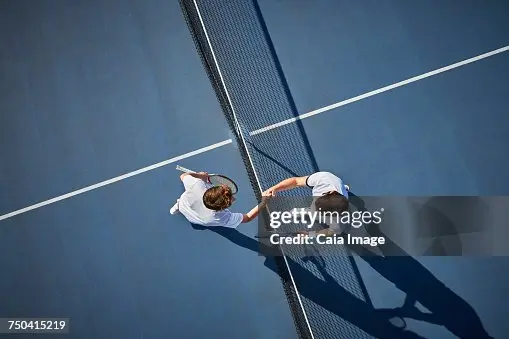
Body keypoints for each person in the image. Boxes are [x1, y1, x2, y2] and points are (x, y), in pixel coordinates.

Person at [170, 171, 269, 228]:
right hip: (197, 220)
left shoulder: (198, 184)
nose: (234, 199)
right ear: (221, 207)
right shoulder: (220, 217)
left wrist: (200, 175)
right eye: (231, 199)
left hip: (184, 205)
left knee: (183, 203)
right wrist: (264, 202)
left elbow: (183, 175)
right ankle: (179, 206)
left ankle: (178, 206)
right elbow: (247, 218)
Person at [264, 171, 350, 236]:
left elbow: (332, 231)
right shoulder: (323, 178)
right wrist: (275, 188)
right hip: (331, 184)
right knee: (313, 210)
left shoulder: (338, 219)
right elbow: (296, 181)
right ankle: (343, 188)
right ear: (328, 193)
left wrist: (310, 235)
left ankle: (343, 189)